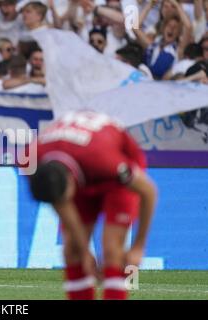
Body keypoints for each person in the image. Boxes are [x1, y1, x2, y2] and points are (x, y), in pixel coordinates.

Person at [28, 111, 157, 300]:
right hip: (80, 163)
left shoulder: (105, 160)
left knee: (112, 250)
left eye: (65, 200)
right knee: (72, 250)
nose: (63, 206)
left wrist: (138, 246)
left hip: (115, 176)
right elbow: (59, 200)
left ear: (72, 182)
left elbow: (148, 191)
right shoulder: (30, 158)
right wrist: (85, 251)